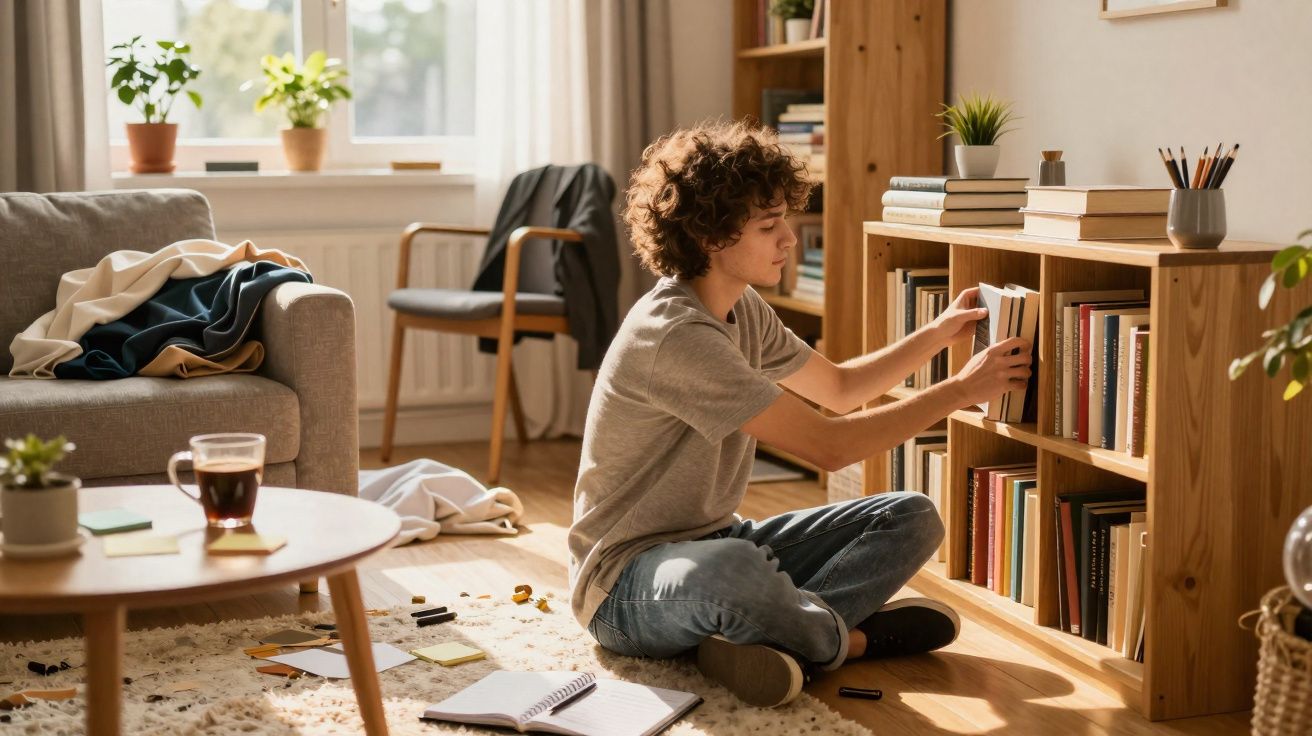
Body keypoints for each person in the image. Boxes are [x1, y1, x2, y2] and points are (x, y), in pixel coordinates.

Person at [567, 121, 1032, 708]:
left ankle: (773, 638)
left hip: (720, 538)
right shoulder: (675, 336)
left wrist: (936, 336)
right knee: (732, 569)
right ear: (711, 236)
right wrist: (958, 392)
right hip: (624, 587)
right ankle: (847, 642)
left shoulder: (745, 308)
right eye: (769, 226)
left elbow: (839, 388)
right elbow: (828, 446)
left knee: (912, 517)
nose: (790, 238)